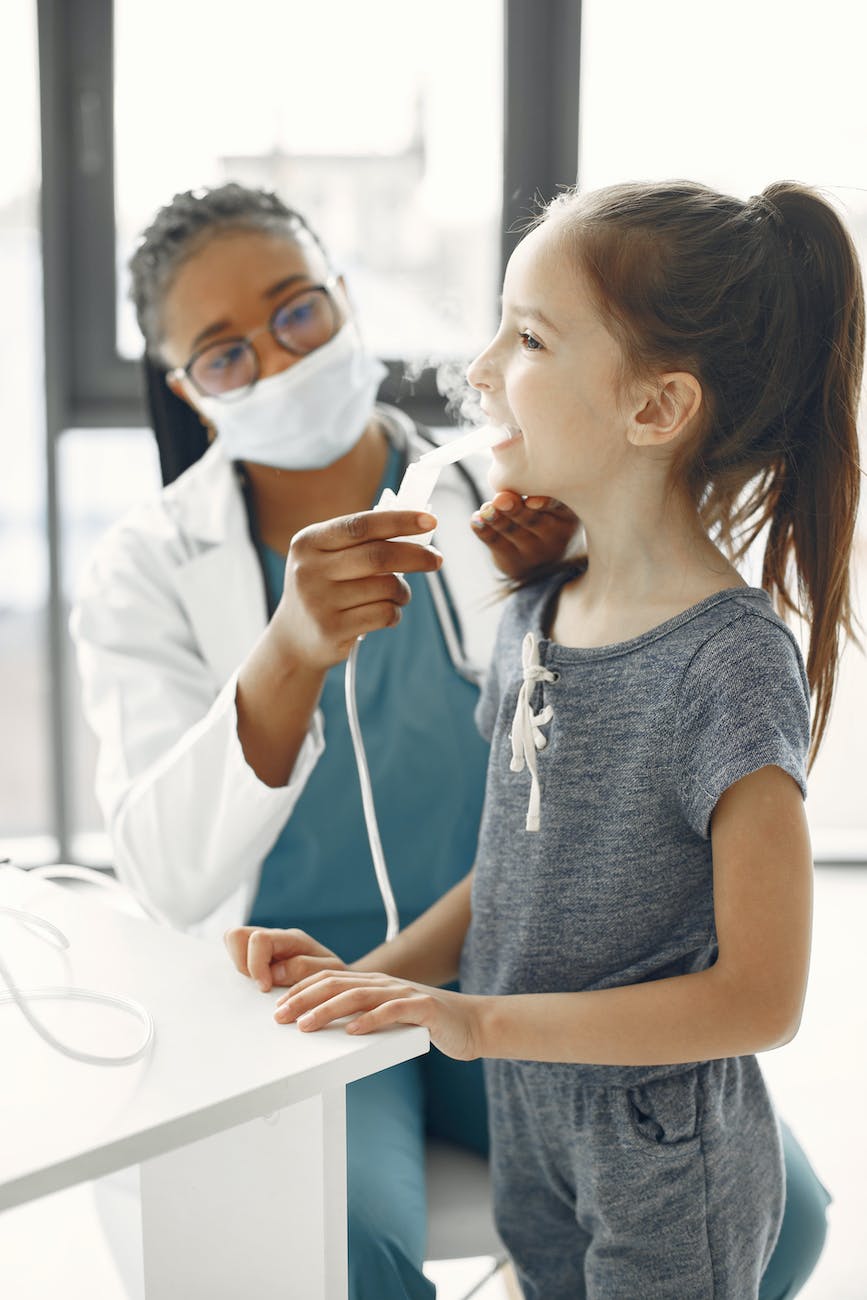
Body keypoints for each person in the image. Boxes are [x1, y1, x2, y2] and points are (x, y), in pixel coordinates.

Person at [224, 178, 860, 1298]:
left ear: (656, 409)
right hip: (537, 1131)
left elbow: (763, 998)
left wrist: (473, 1019)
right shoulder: (535, 609)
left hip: (667, 1178)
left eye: (525, 336)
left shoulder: (727, 663)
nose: (477, 371)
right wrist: (369, 984)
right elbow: (512, 875)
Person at [70, 182, 579, 1300]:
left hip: (502, 945)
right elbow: (163, 872)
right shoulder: (147, 569)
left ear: (347, 302)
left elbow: (594, 764)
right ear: (190, 394)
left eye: (296, 312)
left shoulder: (508, 495)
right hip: (294, 997)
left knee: (766, 1205)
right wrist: (289, 653)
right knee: (336, 1253)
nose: (277, 361)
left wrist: (565, 587)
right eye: (225, 354)